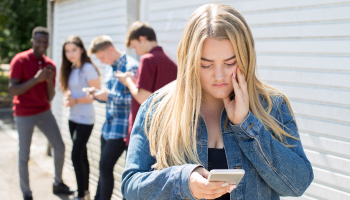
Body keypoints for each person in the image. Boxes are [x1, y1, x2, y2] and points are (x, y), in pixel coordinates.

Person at [121, 4, 314, 200]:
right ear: (190, 61)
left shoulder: (272, 106)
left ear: (246, 58)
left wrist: (247, 125)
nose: (219, 75)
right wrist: (183, 181)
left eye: (230, 63)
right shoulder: (158, 109)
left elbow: (298, 184)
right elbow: (131, 186)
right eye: (206, 64)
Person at [9, 26, 73, 200]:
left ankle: (57, 183)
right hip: (23, 114)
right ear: (32, 42)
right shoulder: (20, 60)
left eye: (45, 42)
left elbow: (50, 96)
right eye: (38, 41)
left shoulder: (50, 64)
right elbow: (13, 90)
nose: (42, 44)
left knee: (59, 146)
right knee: (24, 155)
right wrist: (36, 79)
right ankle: (27, 192)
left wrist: (47, 81)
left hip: (44, 112)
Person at [85, 35, 139, 200]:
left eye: (102, 57)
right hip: (107, 129)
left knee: (106, 167)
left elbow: (137, 100)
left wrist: (109, 96)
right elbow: (109, 99)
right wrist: (97, 95)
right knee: (104, 169)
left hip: (122, 130)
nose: (101, 61)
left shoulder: (132, 67)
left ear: (110, 49)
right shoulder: (109, 68)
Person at [115, 21, 177, 148]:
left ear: (142, 39)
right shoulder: (172, 63)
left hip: (143, 131)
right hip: (164, 131)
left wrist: (128, 81)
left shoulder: (147, 59)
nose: (136, 51)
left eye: (134, 46)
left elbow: (144, 98)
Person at [59, 35, 101, 200]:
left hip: (86, 119)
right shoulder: (71, 68)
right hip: (73, 117)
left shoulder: (88, 68)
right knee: (81, 155)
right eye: (67, 51)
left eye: (73, 50)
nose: (70, 54)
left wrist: (76, 100)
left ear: (81, 50)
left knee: (75, 156)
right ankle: (85, 192)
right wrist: (68, 97)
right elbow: (70, 89)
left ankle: (81, 195)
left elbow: (96, 94)